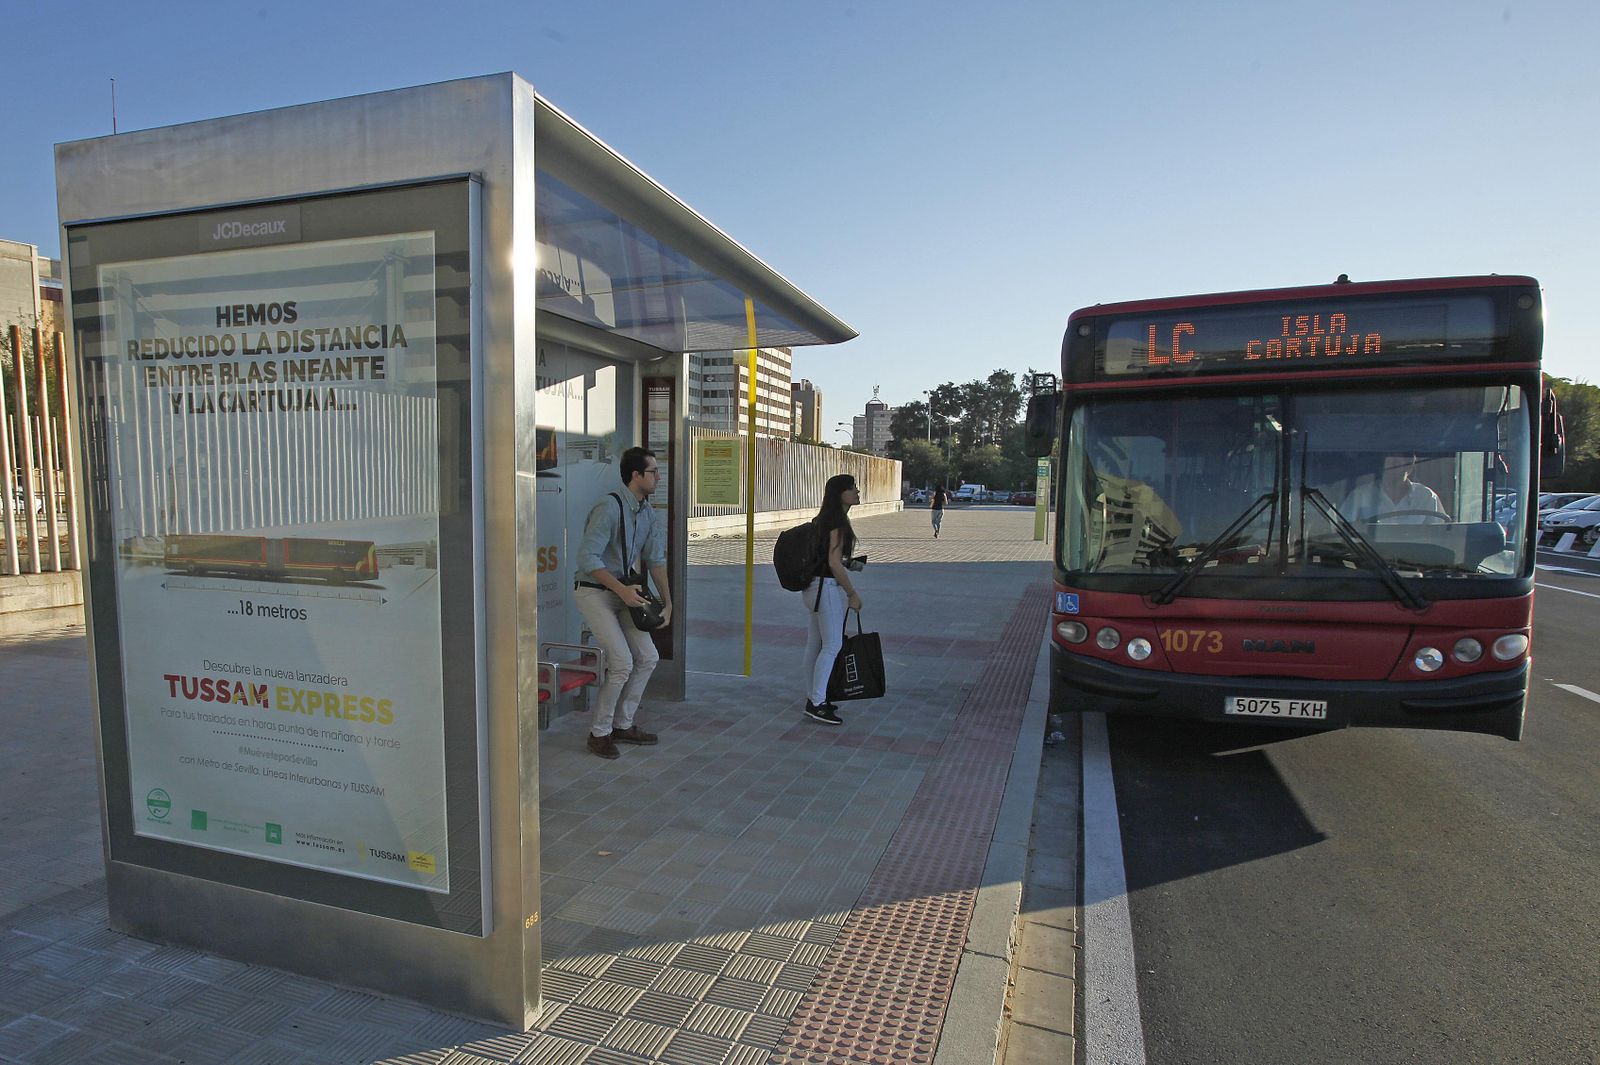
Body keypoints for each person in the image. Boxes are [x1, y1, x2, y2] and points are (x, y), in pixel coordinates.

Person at [574, 447, 673, 759]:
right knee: (622, 663)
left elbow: (656, 561)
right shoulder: (609, 507)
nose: (659, 476)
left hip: (625, 592)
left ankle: (623, 724)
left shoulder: (647, 512)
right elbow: (587, 558)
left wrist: (669, 604)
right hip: (595, 591)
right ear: (636, 475)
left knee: (648, 656)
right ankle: (599, 733)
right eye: (653, 471)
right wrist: (622, 590)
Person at [799, 473, 864, 726]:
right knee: (832, 646)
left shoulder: (823, 519)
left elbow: (830, 559)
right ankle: (817, 703)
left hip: (813, 588)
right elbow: (833, 564)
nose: (857, 492)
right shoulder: (837, 521)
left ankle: (814, 696)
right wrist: (852, 594)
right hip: (826, 589)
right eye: (852, 488)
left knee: (815, 644)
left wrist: (850, 564)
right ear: (840, 493)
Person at [1341, 453, 1448, 524]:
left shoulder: (1427, 497)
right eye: (1390, 459)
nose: (1393, 464)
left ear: (1410, 464)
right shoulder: (1361, 496)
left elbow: (1440, 537)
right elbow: (1342, 533)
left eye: (1398, 460)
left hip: (1416, 558)